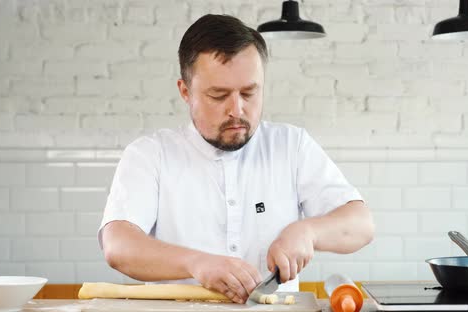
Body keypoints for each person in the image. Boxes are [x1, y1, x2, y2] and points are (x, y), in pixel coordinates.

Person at [98, 14, 374, 304]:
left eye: (249, 92)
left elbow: (361, 225)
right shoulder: (150, 155)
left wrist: (309, 232)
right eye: (218, 95)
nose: (237, 109)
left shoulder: (292, 146)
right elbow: (118, 245)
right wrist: (197, 263)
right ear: (185, 91)